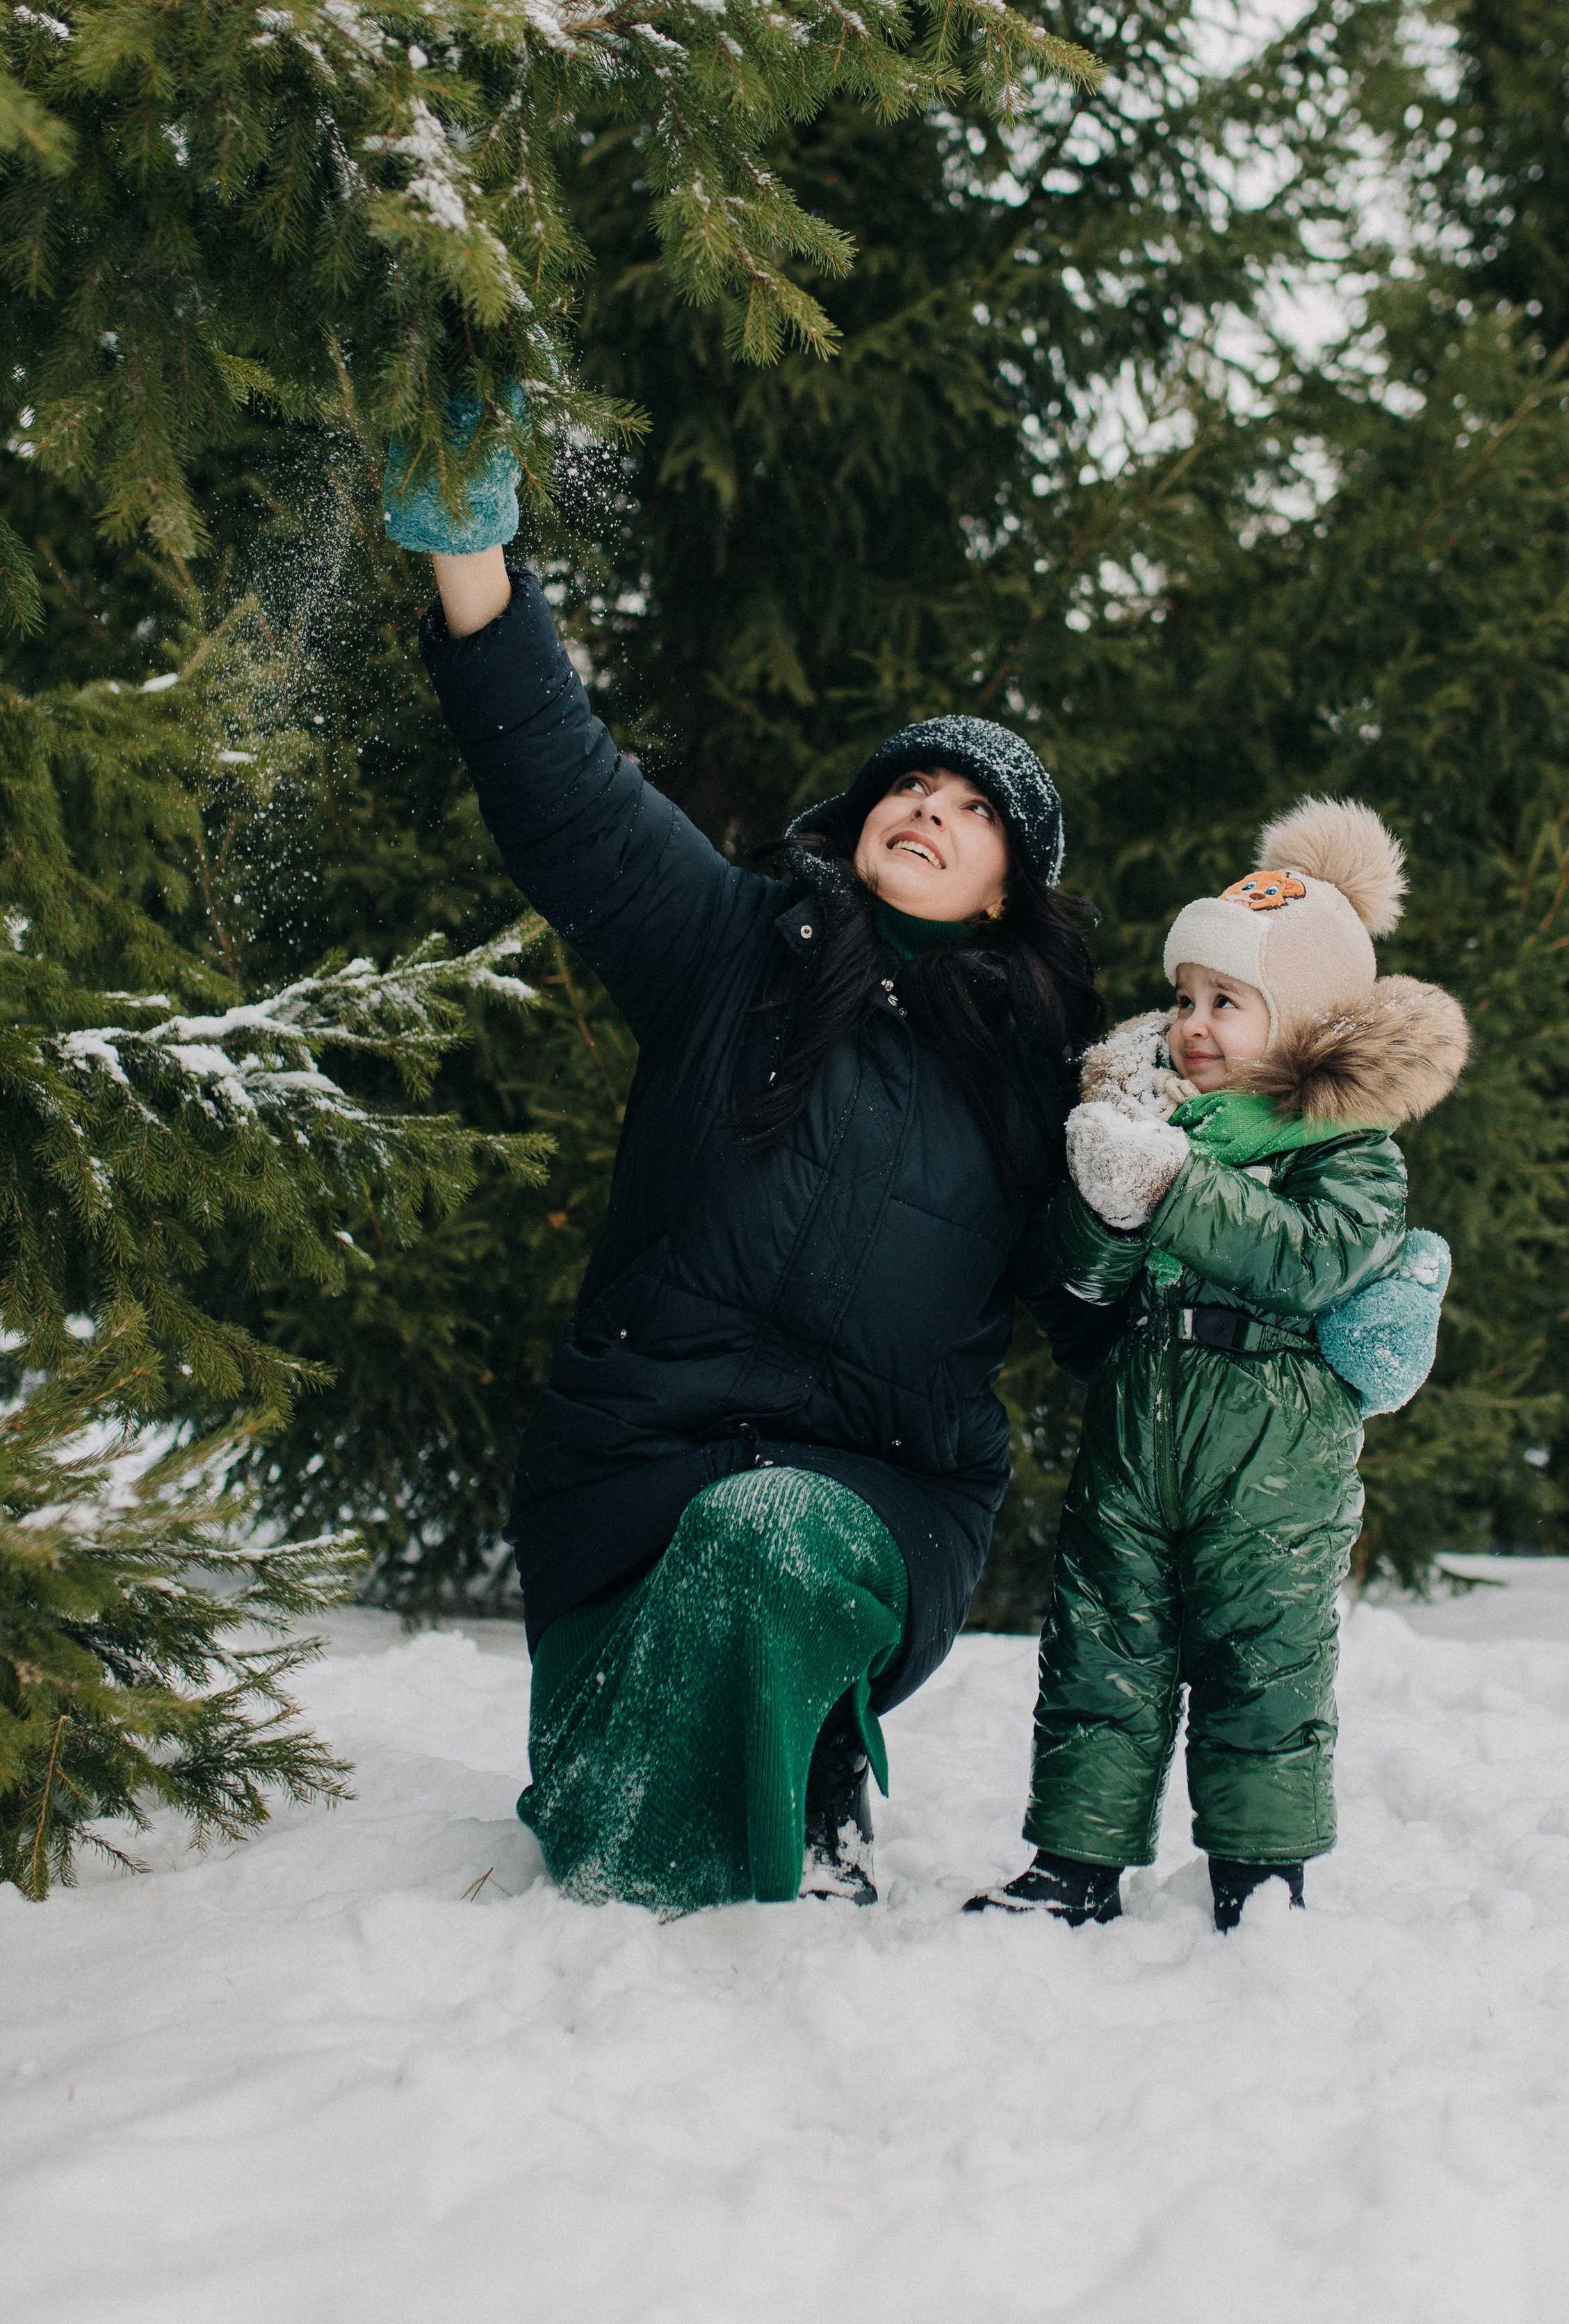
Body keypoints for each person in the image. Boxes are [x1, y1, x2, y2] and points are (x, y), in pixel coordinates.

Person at [384, 407, 1116, 1915]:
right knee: (616, 1778)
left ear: (1002, 897)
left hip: (870, 1502)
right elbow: (566, 793)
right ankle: (706, 1819)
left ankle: (731, 1857)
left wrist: (1293, 1267)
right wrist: (473, 554)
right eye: (913, 785)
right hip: (635, 1468)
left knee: (766, 1544)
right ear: (859, 822)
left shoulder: (1051, 1094)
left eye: (975, 813)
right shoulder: (727, 948)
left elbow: (1112, 1313)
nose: (931, 807)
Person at [966, 796, 1468, 1933]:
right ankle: (1075, 1863)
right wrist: (1101, 1203)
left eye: (1227, 1002)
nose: (1192, 1022)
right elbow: (1079, 1286)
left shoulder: (1352, 1153)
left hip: (1273, 1450)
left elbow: (1309, 1260)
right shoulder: (1149, 1118)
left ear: (1301, 1022)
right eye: (1186, 997)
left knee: (1265, 1660)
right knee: (1100, 1645)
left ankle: (1261, 1869)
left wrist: (1174, 1190)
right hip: (1140, 1430)